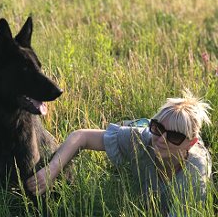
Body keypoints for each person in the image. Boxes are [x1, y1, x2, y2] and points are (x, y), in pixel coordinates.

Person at [26, 90, 212, 215]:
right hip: (139, 132)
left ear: (191, 143)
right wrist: (51, 170)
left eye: (174, 137)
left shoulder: (194, 178)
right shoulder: (146, 139)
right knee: (136, 130)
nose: (162, 139)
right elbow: (81, 136)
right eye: (158, 128)